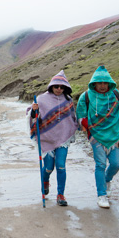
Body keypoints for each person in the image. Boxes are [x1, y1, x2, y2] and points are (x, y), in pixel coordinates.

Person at [76, 65, 119, 209]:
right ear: (94, 83)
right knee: (100, 164)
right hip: (96, 136)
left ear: (109, 83)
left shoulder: (116, 94)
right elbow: (80, 117)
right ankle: (102, 195)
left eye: (105, 83)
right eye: (99, 83)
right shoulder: (85, 96)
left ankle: (107, 179)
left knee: (116, 163)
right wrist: (91, 128)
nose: (102, 86)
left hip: (116, 135)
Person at [29, 70, 79, 206]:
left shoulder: (68, 101)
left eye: (62, 87)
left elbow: (72, 118)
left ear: (65, 88)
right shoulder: (41, 99)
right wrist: (34, 110)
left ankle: (60, 195)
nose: (59, 89)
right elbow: (33, 117)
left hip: (63, 139)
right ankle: (45, 181)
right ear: (51, 86)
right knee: (49, 167)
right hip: (47, 138)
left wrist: (79, 126)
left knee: (61, 166)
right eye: (56, 86)